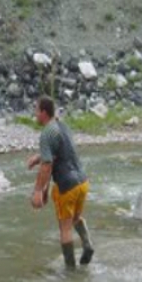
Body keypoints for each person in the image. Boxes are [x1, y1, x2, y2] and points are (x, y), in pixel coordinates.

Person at [27, 95, 94, 268]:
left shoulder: (46, 133)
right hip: (83, 182)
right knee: (76, 218)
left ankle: (70, 271)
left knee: (65, 229)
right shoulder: (62, 126)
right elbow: (57, 151)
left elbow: (47, 166)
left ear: (43, 112)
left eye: (36, 110)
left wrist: (37, 191)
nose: (34, 114)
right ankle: (87, 245)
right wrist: (38, 157)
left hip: (67, 187)